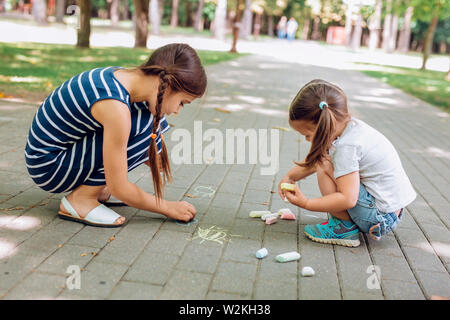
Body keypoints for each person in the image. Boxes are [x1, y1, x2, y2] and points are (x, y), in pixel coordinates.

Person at [24, 43, 207, 227]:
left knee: (146, 118)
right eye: (182, 102)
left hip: (59, 154)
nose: (177, 111)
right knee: (142, 125)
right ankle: (82, 199)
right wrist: (167, 207)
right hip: (48, 165)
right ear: (166, 85)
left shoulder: (124, 79)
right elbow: (118, 188)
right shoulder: (115, 107)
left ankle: (93, 189)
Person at [279, 79, 416, 247]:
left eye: (307, 134)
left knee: (324, 162)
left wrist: (306, 203)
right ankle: (347, 223)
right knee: (324, 158)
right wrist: (289, 177)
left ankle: (343, 228)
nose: (307, 139)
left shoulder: (347, 147)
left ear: (324, 125)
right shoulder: (351, 127)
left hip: (380, 217)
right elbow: (315, 160)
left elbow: (347, 199)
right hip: (391, 212)